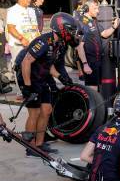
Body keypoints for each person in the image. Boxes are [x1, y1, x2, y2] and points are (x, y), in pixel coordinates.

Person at [16, 13, 78, 155]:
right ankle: (30, 147)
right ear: (61, 28)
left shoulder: (59, 43)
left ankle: (40, 144)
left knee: (47, 110)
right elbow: (26, 62)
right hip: (29, 78)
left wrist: (61, 78)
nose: (72, 33)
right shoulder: (43, 42)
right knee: (35, 112)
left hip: (41, 79)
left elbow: (48, 64)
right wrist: (28, 86)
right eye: (70, 30)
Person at [75, 0, 120, 90]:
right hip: (90, 62)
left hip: (97, 61)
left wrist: (114, 27)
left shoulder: (93, 20)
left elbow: (104, 34)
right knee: (93, 91)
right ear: (87, 8)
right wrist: (85, 64)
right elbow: (79, 47)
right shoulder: (81, 22)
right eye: (95, 8)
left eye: (98, 8)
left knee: (97, 90)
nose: (98, 11)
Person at [6, 0, 39, 72]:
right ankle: (20, 85)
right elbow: (11, 28)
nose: (29, 0)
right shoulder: (12, 10)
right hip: (19, 45)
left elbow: (35, 28)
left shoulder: (31, 10)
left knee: (31, 68)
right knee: (19, 68)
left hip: (31, 44)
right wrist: (22, 39)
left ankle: (29, 85)